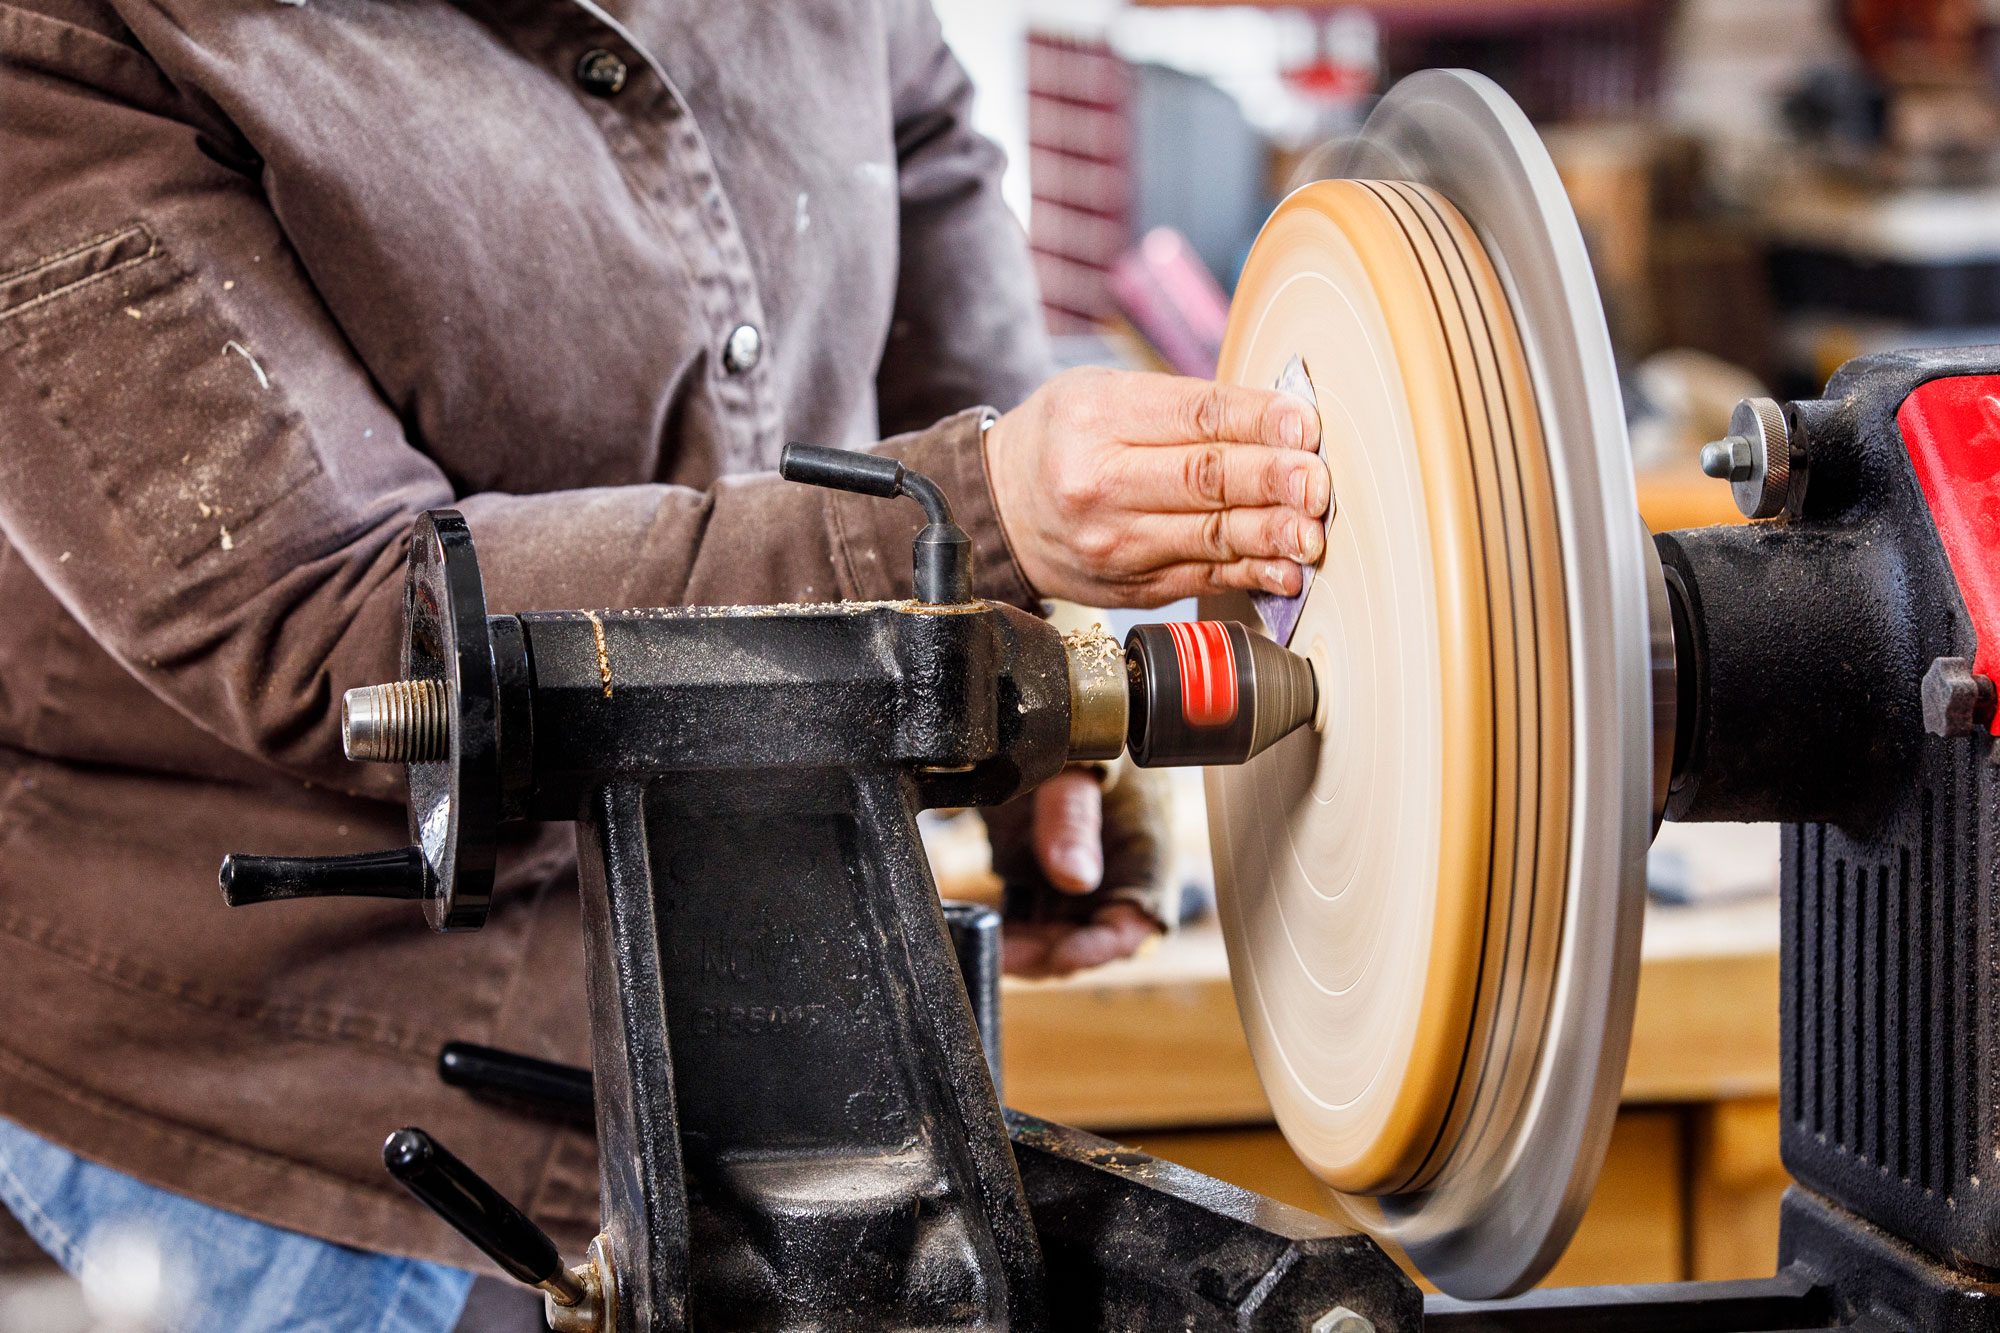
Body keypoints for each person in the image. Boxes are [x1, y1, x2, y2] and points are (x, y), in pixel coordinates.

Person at [0, 0, 1328, 1327]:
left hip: (764, 949)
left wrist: (1030, 642)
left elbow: (912, 122)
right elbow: (345, 628)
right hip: (320, 1073)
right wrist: (980, 518)